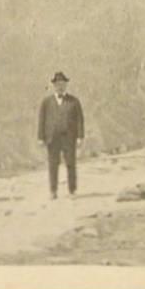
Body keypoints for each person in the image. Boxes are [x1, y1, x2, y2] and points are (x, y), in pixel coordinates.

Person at [38, 72, 85, 200]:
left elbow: (80, 120)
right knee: (53, 165)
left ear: (66, 85)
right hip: (52, 139)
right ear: (53, 85)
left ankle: (72, 191)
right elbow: (42, 120)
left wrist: (80, 137)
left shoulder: (74, 101)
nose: (60, 86)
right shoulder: (46, 102)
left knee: (71, 163)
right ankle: (53, 191)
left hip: (69, 138)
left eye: (63, 84)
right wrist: (40, 138)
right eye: (58, 84)